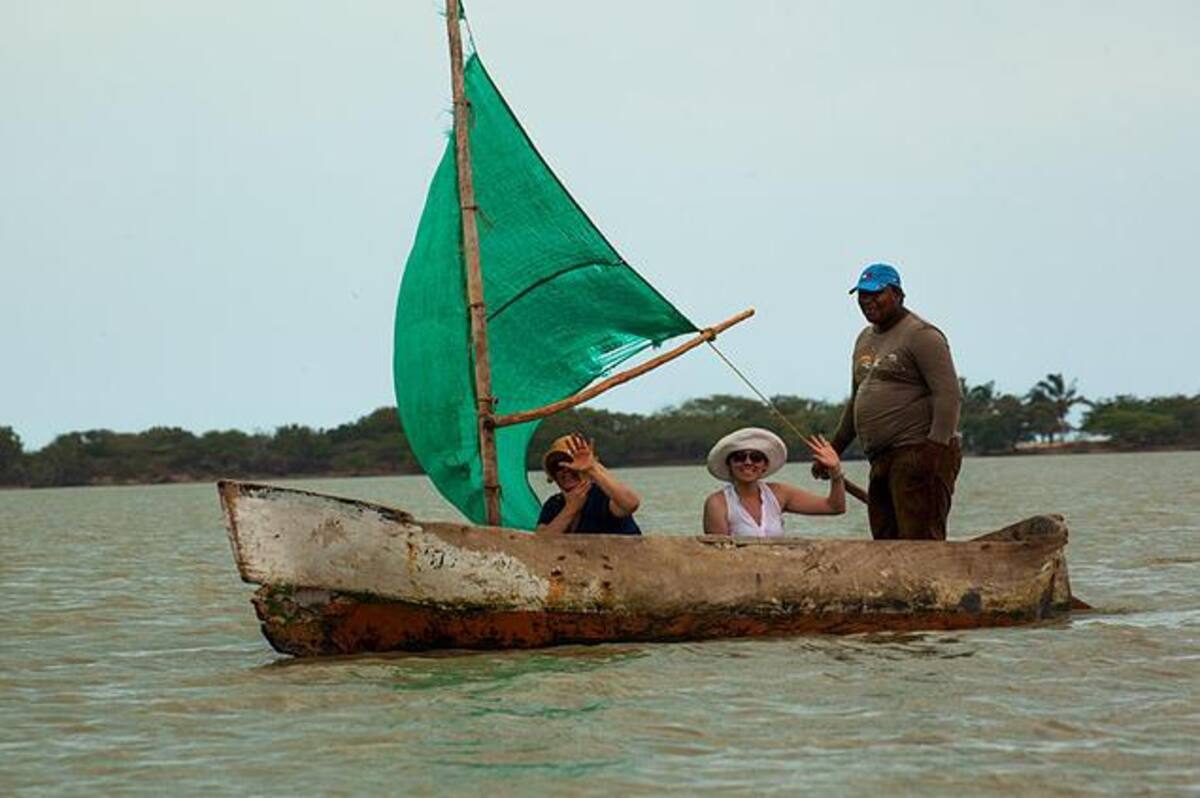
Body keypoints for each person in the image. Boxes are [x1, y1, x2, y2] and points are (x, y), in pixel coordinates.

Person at [817, 263, 962, 540]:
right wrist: (833, 450)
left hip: (918, 450)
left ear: (896, 294)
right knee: (885, 539)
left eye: (876, 294)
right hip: (880, 457)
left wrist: (933, 451)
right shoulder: (864, 339)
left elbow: (948, 395)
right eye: (862, 295)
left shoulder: (922, 335)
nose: (868, 301)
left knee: (919, 541)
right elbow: (855, 401)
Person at [702, 427, 845, 537]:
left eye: (756, 457)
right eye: (739, 457)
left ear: (764, 466)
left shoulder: (779, 493)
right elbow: (718, 553)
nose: (748, 462)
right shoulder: (717, 503)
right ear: (730, 464)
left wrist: (835, 471)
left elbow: (834, 507)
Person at [536, 433, 641, 535]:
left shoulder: (603, 496)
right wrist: (571, 508)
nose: (566, 470)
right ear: (553, 475)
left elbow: (630, 504)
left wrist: (592, 469)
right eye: (557, 465)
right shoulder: (554, 504)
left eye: (571, 462)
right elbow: (541, 541)